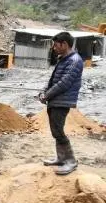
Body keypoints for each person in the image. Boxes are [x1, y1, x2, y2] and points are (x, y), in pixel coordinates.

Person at [39, 32, 83, 175]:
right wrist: (44, 91)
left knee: (58, 131)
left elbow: (64, 83)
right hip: (55, 100)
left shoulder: (75, 61)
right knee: (55, 131)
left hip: (62, 101)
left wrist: (47, 95)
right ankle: (61, 158)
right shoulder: (64, 59)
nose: (54, 48)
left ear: (64, 44)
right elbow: (53, 80)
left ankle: (70, 161)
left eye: (56, 45)